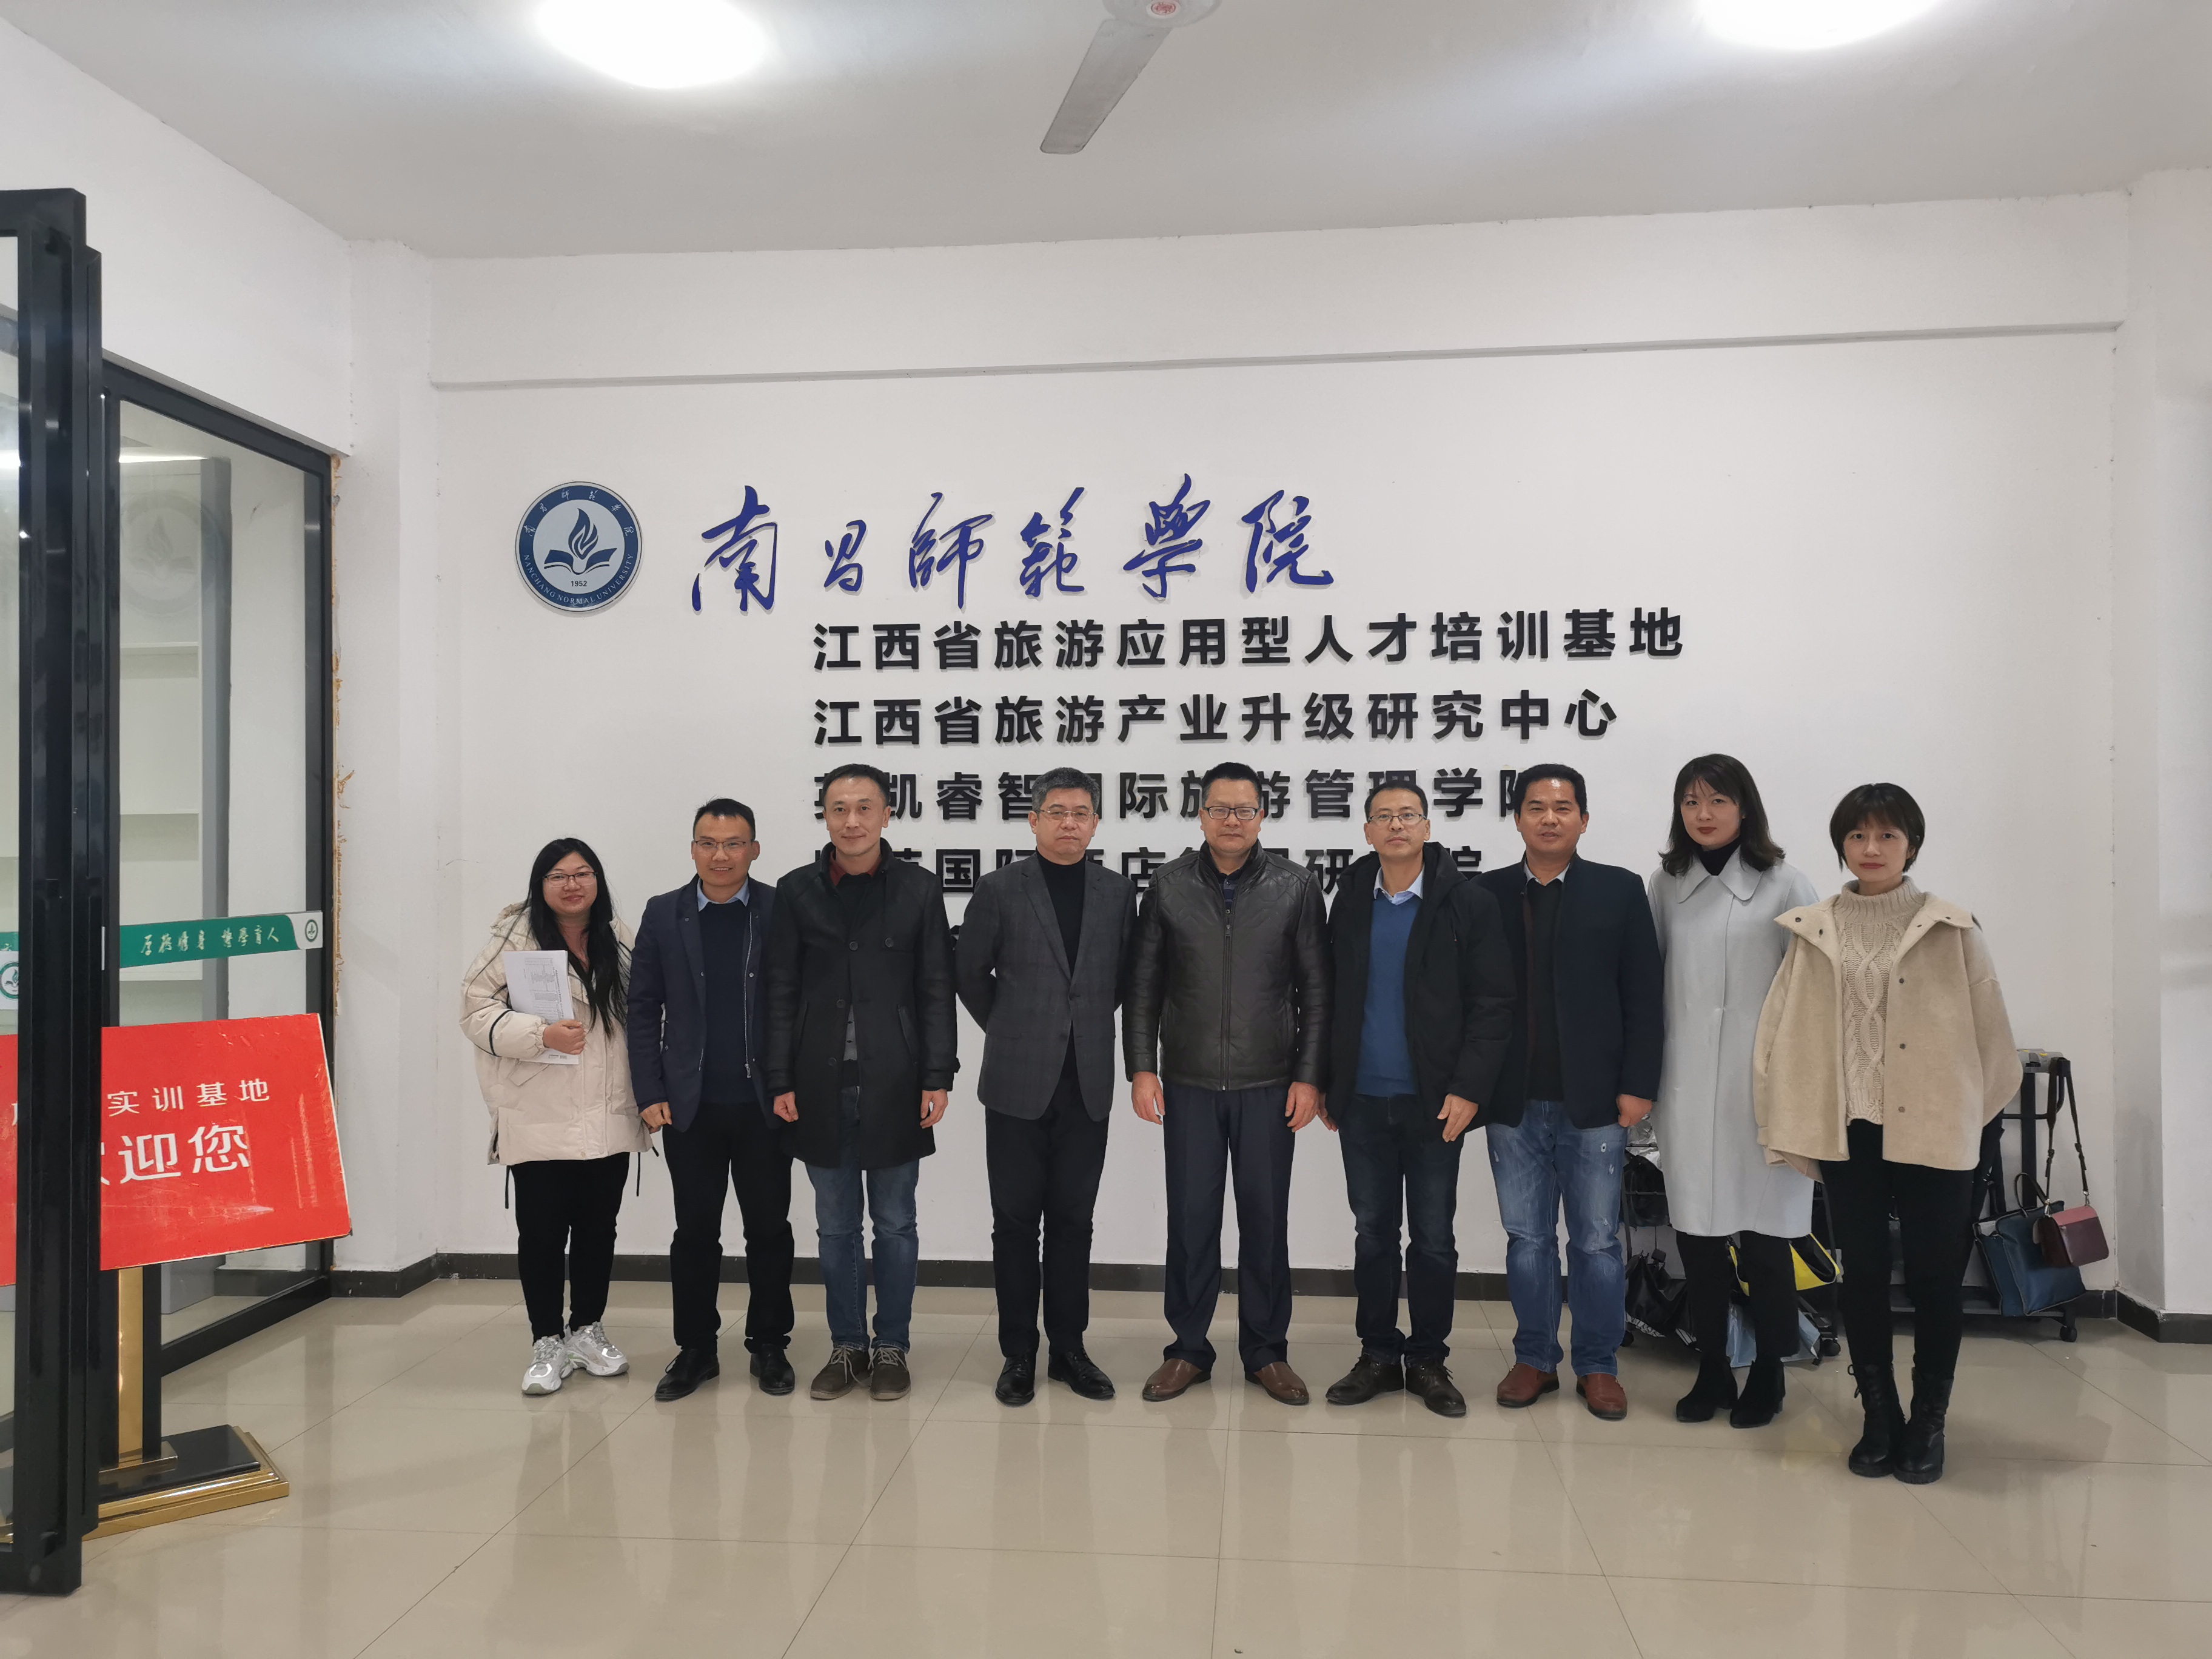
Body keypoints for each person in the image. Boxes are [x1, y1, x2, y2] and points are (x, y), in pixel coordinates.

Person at [1755, 782, 2019, 1484]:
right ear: (1842, 845)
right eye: (1857, 836)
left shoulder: (1952, 929)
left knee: (1935, 1278)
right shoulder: (1813, 930)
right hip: (1852, 1133)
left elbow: (1995, 1044)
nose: (1871, 849)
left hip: (1935, 1128)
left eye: (1887, 836)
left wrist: (1964, 1118)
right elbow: (1780, 1030)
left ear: (1912, 845)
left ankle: (1929, 1420)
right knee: (1864, 1276)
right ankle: (1880, 1414)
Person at [1123, 760, 1330, 1406]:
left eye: (1244, 810)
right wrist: (1142, 1068)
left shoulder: (1297, 887)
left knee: (1265, 1221)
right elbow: (1143, 988)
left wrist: (1309, 1077)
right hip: (1187, 1083)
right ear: (1201, 814)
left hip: (1269, 1084)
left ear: (1262, 815)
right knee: (1191, 1222)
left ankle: (1267, 1351)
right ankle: (1188, 1349)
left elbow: (1317, 992)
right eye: (1220, 809)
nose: (1232, 820)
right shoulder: (1168, 885)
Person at [763, 762, 957, 1402]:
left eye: (864, 808)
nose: (852, 821)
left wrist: (937, 1075)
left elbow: (936, 987)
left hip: (896, 1083)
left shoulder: (918, 888)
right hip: (817, 1087)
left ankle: (892, 1346)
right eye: (839, 809)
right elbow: (779, 992)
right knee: (836, 1227)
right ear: (825, 815)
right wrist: (779, 1077)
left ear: (886, 814)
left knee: (896, 1223)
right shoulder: (796, 891)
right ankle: (847, 1346)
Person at [1321, 780, 1513, 1418]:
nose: (1397, 825)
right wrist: (1327, 1080)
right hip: (1362, 1100)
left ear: (1428, 827)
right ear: (1368, 832)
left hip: (1435, 1103)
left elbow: (1493, 1005)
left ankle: (1428, 1358)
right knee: (1373, 1233)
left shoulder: (1469, 902)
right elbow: (1329, 994)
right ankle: (1378, 1354)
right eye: (1384, 817)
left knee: (1433, 1238)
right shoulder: (1351, 897)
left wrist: (1469, 1089)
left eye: (1408, 815)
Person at [1477, 764, 1663, 1421]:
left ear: (1584, 819)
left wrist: (1639, 1085)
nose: (1549, 818)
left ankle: (1598, 1364)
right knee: (1527, 1239)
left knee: (1596, 1242)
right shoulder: (1487, 894)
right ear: (1517, 819)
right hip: (1512, 1102)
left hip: (1597, 1102)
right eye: (1536, 807)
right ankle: (1534, 1358)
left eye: (1563, 807)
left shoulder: (1619, 890)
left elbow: (1644, 994)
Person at [956, 766, 1138, 1406]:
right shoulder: (1000, 888)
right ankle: (1018, 1353)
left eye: (1081, 813)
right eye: (1057, 812)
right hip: (1015, 1082)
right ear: (1033, 820)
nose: (1069, 823)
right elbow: (970, 972)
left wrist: (1075, 1030)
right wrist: (1013, 1027)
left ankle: (1069, 1350)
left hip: (1087, 1082)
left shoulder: (1117, 892)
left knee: (1072, 1222)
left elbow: (1122, 980)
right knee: (1014, 1224)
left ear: (1096, 823)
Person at [1646, 756, 1818, 1427]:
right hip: (1688, 1086)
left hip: (1763, 1091)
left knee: (1766, 1239)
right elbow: (1648, 983)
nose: (1704, 814)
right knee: (1698, 1237)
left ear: (1745, 808)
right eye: (1691, 802)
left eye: (1718, 800)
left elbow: (1812, 991)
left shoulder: (1786, 884)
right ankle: (1713, 1365)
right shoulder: (1666, 885)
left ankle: (1771, 1370)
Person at [460, 838, 647, 1395]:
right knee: (541, 1234)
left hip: (609, 1111)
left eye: (583, 873)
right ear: (540, 885)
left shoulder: (619, 936)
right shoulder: (516, 936)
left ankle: (587, 1330)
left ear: (598, 881)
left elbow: (646, 1011)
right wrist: (539, 1034)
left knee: (598, 1230)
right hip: (539, 1111)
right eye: (558, 876)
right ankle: (546, 1340)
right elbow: (473, 1007)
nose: (572, 885)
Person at [629, 799, 794, 1403]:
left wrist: (793, 1084)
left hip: (764, 1104)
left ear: (755, 849)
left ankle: (769, 1343)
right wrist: (650, 1090)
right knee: (695, 1232)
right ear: (693, 848)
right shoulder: (663, 912)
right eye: (708, 843)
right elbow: (642, 1009)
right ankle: (696, 1348)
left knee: (769, 1230)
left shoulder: (779, 909)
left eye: (734, 843)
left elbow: (799, 1002)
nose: (720, 856)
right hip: (689, 1106)